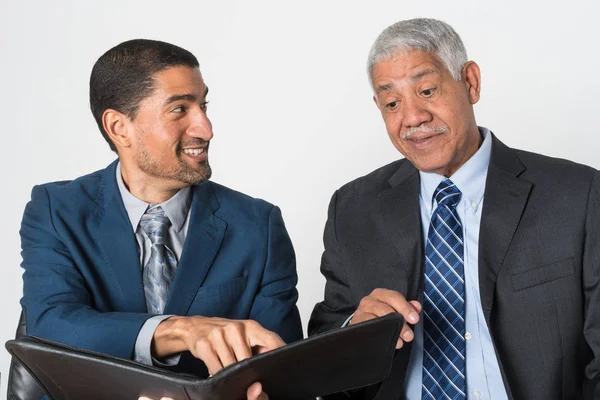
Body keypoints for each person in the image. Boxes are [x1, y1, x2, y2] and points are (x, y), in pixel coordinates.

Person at [308, 18, 600, 400]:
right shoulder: (352, 209)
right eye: (392, 103)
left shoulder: (578, 195)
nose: (413, 117)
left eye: (427, 90)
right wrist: (355, 331)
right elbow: (322, 352)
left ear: (471, 82)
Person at [19, 39, 302, 400]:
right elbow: (51, 327)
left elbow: (283, 372)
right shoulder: (56, 210)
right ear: (119, 127)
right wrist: (180, 330)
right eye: (179, 109)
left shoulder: (258, 225)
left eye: (203, 105)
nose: (206, 128)